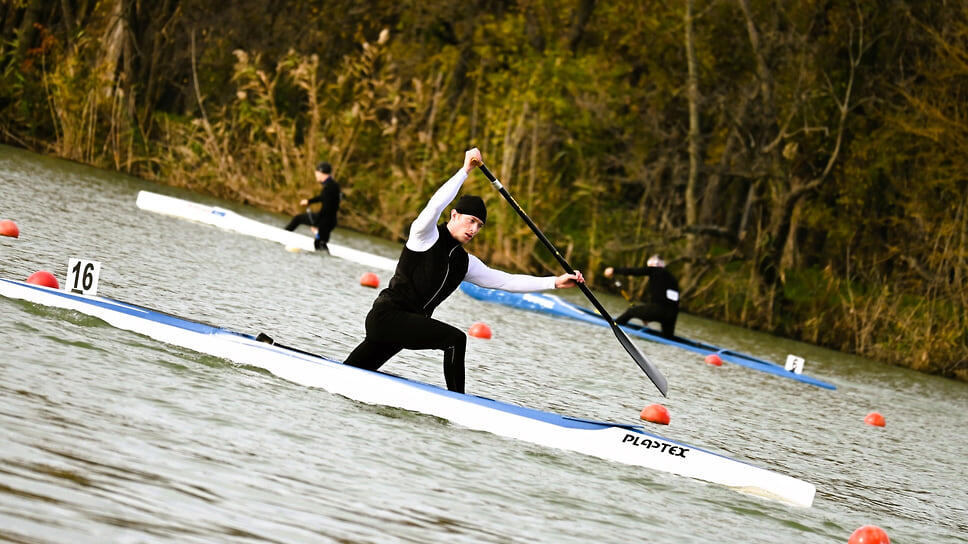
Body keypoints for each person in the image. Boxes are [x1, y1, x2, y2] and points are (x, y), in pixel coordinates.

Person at [343, 148, 584, 393]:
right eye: (471, 221)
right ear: (454, 215)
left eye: (479, 226)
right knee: (456, 340)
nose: (474, 229)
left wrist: (555, 282)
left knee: (350, 374)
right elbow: (435, 204)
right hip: (387, 318)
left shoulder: (465, 263)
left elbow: (506, 281)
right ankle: (459, 401)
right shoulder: (424, 235)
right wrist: (465, 170)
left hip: (405, 325)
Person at [603, 255, 679, 338]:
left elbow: (635, 271)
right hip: (672, 315)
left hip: (659, 309)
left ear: (654, 264)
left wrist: (614, 270)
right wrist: (648, 314)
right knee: (667, 338)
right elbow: (663, 297)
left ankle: (613, 326)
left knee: (631, 312)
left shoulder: (654, 270)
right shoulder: (673, 278)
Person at [284, 161, 341, 251]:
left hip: (326, 220)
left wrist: (316, 224)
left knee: (298, 219)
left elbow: (326, 208)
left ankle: (282, 235)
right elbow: (323, 198)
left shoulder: (329, 187)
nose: (316, 176)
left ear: (321, 173)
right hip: (330, 221)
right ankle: (326, 259)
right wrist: (309, 201)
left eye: (317, 174)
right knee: (319, 243)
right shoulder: (332, 185)